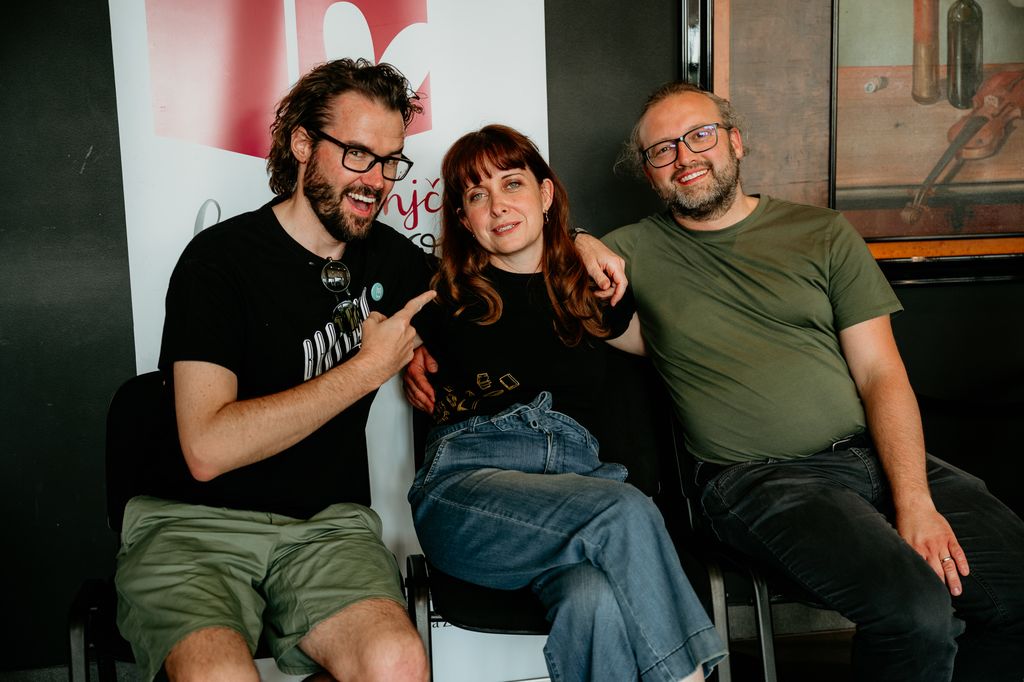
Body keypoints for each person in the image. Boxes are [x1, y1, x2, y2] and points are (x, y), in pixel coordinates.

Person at [407, 83, 1024, 681]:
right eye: (662, 150)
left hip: (870, 456)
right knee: (915, 610)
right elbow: (513, 268)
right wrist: (410, 341)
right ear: (649, 172)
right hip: (757, 480)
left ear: (735, 140)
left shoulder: (821, 233)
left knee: (1016, 595)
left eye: (699, 135)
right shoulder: (622, 257)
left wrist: (914, 499)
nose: (684, 156)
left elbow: (881, 372)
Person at [114, 58, 437, 682]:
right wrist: (368, 369)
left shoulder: (393, 260)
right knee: (219, 675)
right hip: (192, 525)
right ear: (302, 144)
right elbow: (207, 448)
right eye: (357, 154)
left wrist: (577, 240)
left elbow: (493, 279)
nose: (376, 181)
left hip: (325, 531)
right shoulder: (218, 262)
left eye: (390, 160)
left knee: (397, 662)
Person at [407, 124, 725, 682]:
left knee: (594, 600)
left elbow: (675, 348)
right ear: (463, 218)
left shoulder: (592, 293)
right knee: (625, 510)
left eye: (512, 184)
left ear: (545, 194)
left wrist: (581, 240)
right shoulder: (441, 299)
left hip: (578, 492)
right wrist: (403, 350)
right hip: (471, 493)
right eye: (477, 195)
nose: (498, 206)